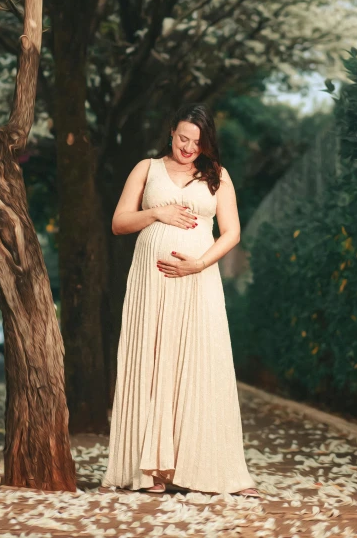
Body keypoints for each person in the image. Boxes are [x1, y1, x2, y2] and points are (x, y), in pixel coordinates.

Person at [101, 104, 259, 497]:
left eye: (198, 141)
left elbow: (232, 232)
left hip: (198, 281)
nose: (189, 147)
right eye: (183, 138)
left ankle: (217, 471)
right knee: (153, 364)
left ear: (207, 143)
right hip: (151, 283)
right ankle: (152, 472)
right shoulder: (146, 169)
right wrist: (158, 213)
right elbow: (120, 222)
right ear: (171, 132)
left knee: (204, 364)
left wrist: (200, 264)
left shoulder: (218, 177)